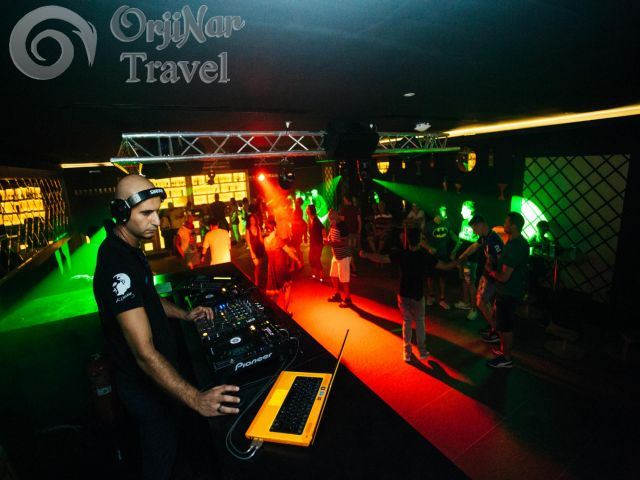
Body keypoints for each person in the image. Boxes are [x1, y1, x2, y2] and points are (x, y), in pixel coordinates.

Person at [93, 175, 240, 480]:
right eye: (146, 213)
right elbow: (143, 353)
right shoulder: (116, 263)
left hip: (158, 383)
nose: (157, 221)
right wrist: (196, 398)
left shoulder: (130, 249)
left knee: (174, 453)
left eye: (157, 211)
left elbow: (148, 298)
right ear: (121, 213)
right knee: (159, 460)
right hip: (145, 390)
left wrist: (185, 314)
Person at [360, 228, 457, 362]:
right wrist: (460, 259)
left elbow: (382, 258)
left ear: (407, 240)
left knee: (407, 322)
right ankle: (422, 351)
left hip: (404, 293)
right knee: (420, 322)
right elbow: (445, 266)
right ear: (420, 241)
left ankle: (407, 353)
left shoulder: (402, 254)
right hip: (417, 294)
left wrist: (366, 254)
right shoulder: (424, 255)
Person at [484, 212, 530, 368]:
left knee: (506, 327)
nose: (504, 224)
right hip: (508, 291)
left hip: (509, 292)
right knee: (503, 325)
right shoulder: (514, 241)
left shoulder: (515, 246)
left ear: (514, 226)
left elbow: (504, 277)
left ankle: (506, 358)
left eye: (507, 222)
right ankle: (504, 352)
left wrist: (490, 271)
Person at [458, 214, 504, 330]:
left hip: (493, 276)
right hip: (488, 274)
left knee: (481, 301)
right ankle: (493, 326)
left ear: (480, 225)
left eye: (474, 228)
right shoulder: (485, 237)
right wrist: (462, 256)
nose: (474, 231)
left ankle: (495, 329)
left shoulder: (494, 239)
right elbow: (474, 246)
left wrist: (496, 275)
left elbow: (501, 259)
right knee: (483, 301)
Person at [264, 218, 302, 313]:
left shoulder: (265, 241)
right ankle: (285, 311)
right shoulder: (278, 240)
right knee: (287, 288)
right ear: (275, 228)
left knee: (275, 293)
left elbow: (274, 251)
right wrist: (298, 260)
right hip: (281, 268)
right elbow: (288, 252)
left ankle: (272, 312)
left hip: (271, 269)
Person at [424, 206, 456, 309]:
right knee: (430, 276)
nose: (445, 214)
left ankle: (442, 299)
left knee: (442, 277)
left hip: (443, 255)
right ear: (437, 214)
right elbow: (421, 240)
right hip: (431, 256)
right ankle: (431, 296)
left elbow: (453, 236)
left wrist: (457, 244)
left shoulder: (447, 223)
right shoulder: (428, 225)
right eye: (443, 212)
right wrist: (429, 248)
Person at [451, 201, 480, 312]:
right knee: (464, 279)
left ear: (471, 210)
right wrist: (455, 252)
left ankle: (473, 308)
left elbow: (477, 242)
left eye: (464, 210)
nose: (461, 212)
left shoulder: (476, 223)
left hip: (470, 259)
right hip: (463, 258)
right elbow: (460, 240)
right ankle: (466, 303)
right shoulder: (464, 222)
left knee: (470, 282)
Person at [325, 209, 353, 308]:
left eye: (332, 218)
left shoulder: (342, 226)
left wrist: (331, 243)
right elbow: (331, 235)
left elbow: (346, 242)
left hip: (344, 256)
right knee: (333, 275)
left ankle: (348, 299)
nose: (331, 220)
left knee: (344, 279)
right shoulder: (333, 224)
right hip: (336, 255)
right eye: (329, 218)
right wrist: (327, 239)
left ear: (337, 216)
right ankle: (337, 294)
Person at [339, 195, 361, 276]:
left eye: (344, 200)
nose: (344, 201)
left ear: (347, 200)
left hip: (347, 233)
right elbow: (359, 221)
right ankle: (352, 268)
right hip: (354, 232)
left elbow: (342, 220)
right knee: (352, 251)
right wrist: (359, 232)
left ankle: (353, 269)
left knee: (349, 251)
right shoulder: (356, 208)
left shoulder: (344, 209)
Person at [306, 204, 325, 282]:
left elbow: (323, 228)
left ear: (310, 210)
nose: (306, 210)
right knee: (311, 258)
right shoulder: (309, 219)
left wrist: (324, 237)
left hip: (318, 243)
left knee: (316, 259)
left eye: (307, 209)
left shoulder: (316, 220)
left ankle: (321, 276)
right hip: (312, 243)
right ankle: (314, 274)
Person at [245, 213, 266, 286]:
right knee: (257, 265)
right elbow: (248, 242)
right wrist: (252, 253)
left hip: (260, 248)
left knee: (260, 265)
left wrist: (265, 245)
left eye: (253, 220)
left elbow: (260, 239)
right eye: (251, 220)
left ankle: (258, 279)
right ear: (249, 221)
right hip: (253, 249)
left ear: (255, 220)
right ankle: (256, 281)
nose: (252, 221)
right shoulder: (248, 230)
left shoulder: (258, 227)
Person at [291, 197, 307, 270]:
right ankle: (299, 263)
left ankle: (301, 263)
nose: (295, 202)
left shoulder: (298, 210)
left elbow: (298, 221)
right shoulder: (297, 210)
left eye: (296, 201)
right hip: (296, 230)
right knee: (296, 248)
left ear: (299, 203)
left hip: (297, 231)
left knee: (296, 248)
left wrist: (291, 221)